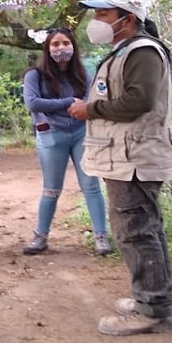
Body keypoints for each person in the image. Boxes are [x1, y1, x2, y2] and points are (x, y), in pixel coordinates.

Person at [69, 0, 172, 336]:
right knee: (144, 228)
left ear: (127, 19)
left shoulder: (143, 51)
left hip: (134, 159)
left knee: (135, 231)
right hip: (126, 157)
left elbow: (139, 101)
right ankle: (154, 298)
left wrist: (91, 110)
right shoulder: (125, 51)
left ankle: (153, 310)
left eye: (103, 14)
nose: (96, 22)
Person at [22, 27, 111, 257]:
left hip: (82, 133)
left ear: (73, 46)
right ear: (47, 48)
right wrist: (69, 102)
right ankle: (40, 236)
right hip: (51, 135)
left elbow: (92, 99)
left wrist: (83, 104)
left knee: (91, 186)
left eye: (65, 43)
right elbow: (32, 103)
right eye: (55, 44)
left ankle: (101, 237)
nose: (61, 48)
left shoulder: (83, 73)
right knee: (51, 189)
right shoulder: (35, 75)